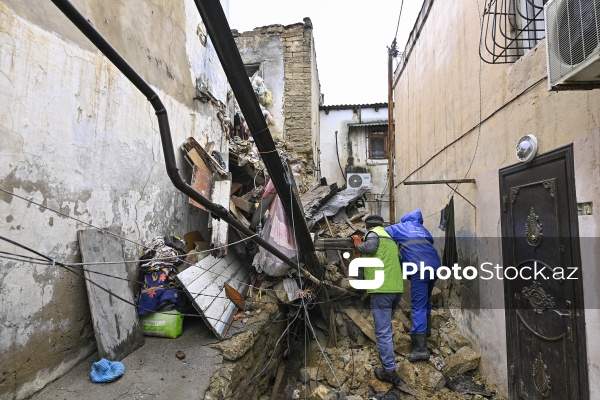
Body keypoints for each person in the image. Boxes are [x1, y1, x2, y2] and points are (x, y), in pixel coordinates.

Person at [351, 215, 404, 386]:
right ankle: (388, 360)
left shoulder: (373, 235)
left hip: (382, 290)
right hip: (396, 289)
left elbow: (370, 248)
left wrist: (358, 244)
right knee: (386, 327)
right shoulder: (389, 238)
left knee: (382, 331)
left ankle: (389, 370)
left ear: (368, 227)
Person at [385, 209, 441, 362]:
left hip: (419, 268)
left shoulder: (400, 227)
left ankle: (420, 349)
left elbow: (381, 233)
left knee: (418, 305)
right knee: (425, 301)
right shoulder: (424, 229)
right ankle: (426, 332)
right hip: (434, 266)